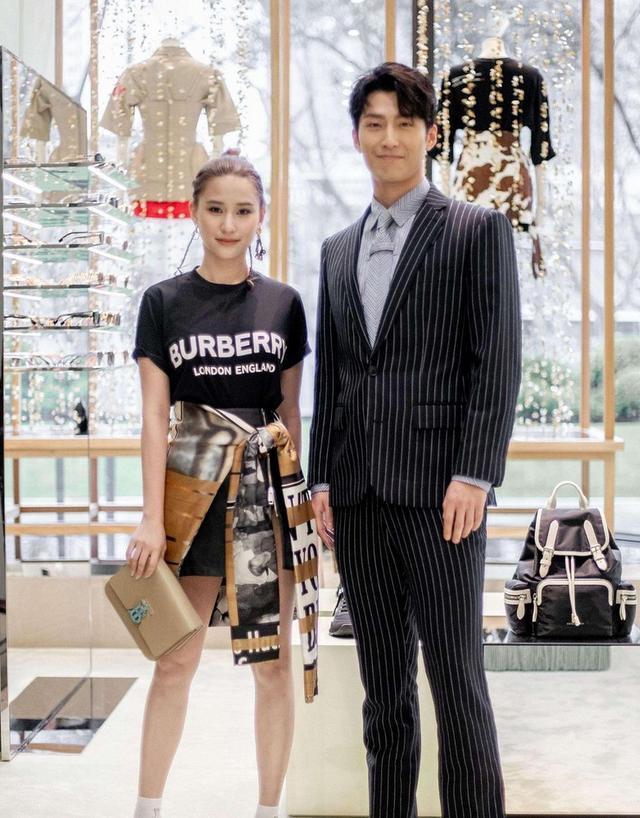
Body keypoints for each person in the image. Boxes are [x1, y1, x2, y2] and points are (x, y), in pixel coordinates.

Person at [309, 62, 521, 818]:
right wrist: (321, 480)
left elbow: (496, 362)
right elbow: (334, 376)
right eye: (375, 123)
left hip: (443, 498)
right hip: (358, 500)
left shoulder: (476, 230)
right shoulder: (337, 249)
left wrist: (475, 473)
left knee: (458, 687)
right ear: (357, 136)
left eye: (405, 123)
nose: (389, 138)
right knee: (384, 695)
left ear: (431, 135)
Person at [127, 155, 310, 818]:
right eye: (215, 209)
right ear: (194, 212)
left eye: (242, 210)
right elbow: (154, 416)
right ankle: (147, 807)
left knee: (271, 664)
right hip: (192, 496)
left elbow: (289, 413)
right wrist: (151, 517)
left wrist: (300, 506)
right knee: (174, 659)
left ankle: (268, 809)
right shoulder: (163, 302)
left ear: (260, 217)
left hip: (267, 498)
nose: (228, 224)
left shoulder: (284, 303)